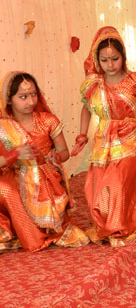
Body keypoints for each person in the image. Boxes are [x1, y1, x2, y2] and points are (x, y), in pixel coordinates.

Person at [72, 26, 136, 246]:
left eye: (115, 59)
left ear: (123, 57)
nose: (110, 65)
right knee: (96, 187)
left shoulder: (134, 79)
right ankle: (108, 223)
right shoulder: (95, 84)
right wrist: (82, 134)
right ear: (97, 60)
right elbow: (86, 108)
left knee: (118, 182)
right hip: (104, 139)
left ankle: (121, 226)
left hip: (131, 138)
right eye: (104, 60)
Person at [0, 72, 88, 252]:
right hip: (14, 175)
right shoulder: (3, 128)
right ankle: (22, 232)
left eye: (34, 94)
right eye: (23, 97)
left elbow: (64, 152)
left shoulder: (48, 120)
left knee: (43, 183)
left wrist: (57, 157)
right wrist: (14, 154)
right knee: (5, 189)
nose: (31, 101)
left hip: (45, 175)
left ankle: (36, 230)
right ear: (9, 100)